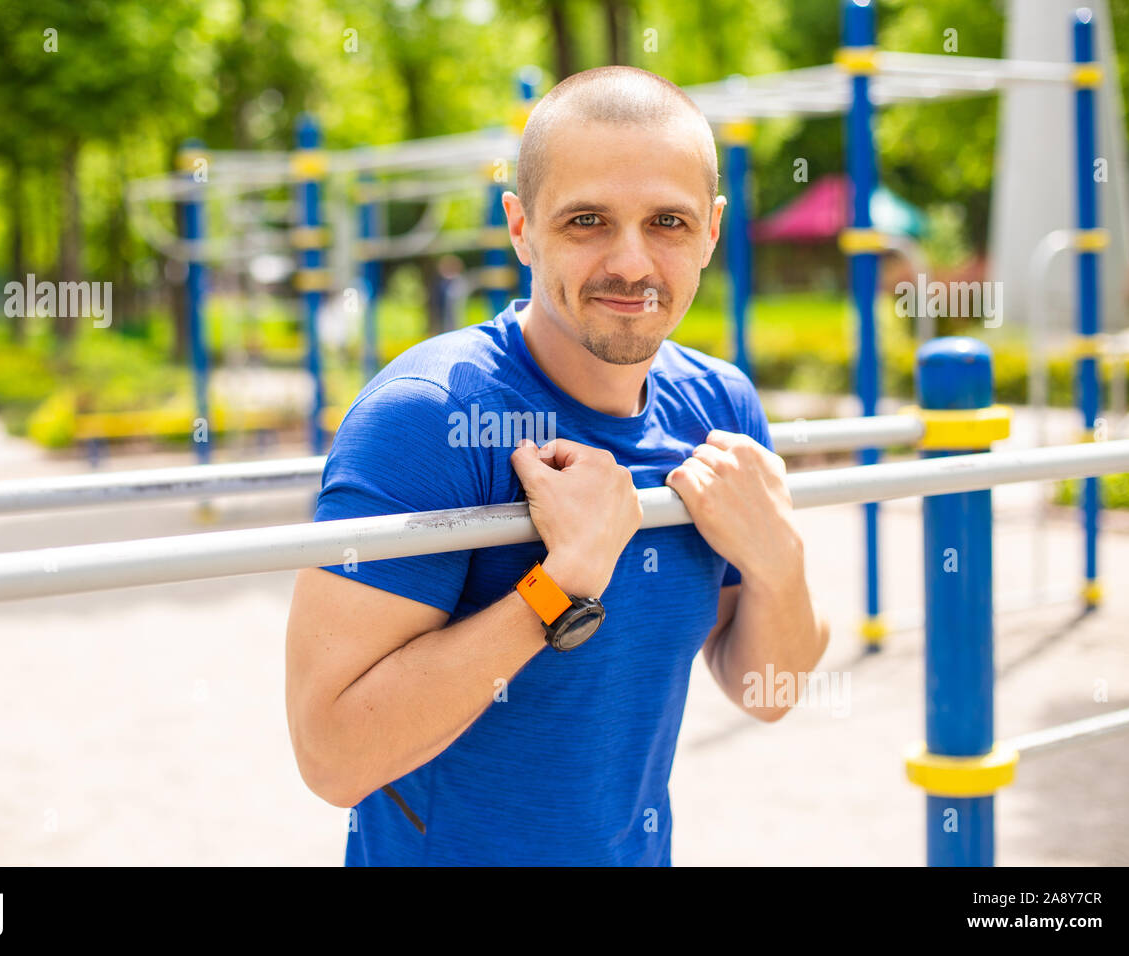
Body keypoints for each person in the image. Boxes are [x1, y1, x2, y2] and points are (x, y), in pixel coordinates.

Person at [285, 65, 830, 866]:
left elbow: (765, 693)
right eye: (587, 220)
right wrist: (559, 586)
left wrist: (781, 564)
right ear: (521, 227)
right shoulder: (429, 418)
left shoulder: (719, 408)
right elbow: (331, 757)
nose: (633, 264)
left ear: (712, 230)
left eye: (668, 223)